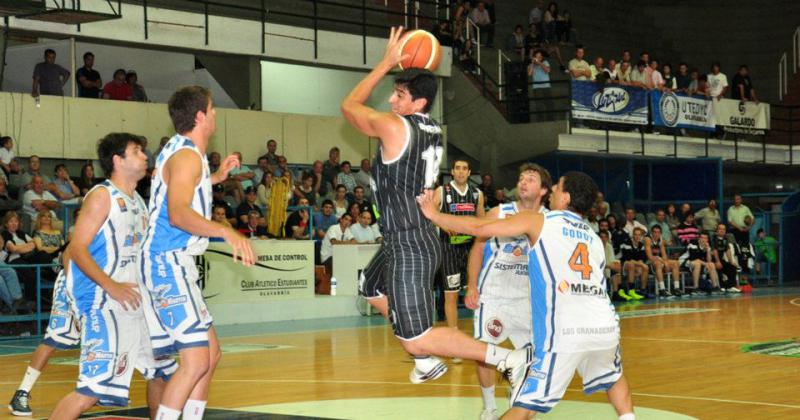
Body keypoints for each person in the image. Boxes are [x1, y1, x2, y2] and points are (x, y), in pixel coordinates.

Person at [341, 27, 530, 385]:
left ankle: (509, 358)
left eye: (399, 95)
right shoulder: (430, 128)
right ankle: (425, 362)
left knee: (418, 336)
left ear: (419, 103)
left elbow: (349, 107)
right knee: (370, 287)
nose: (392, 102)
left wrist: (383, 64)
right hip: (406, 236)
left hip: (410, 241)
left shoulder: (397, 128)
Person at [418, 171, 634, 420]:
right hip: (604, 326)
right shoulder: (594, 238)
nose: (552, 190)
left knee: (525, 408)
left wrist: (434, 214)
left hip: (565, 331)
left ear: (565, 197)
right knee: (614, 378)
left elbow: (480, 227)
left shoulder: (539, 221)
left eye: (557, 187)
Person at [45, 133, 178, 420]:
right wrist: (111, 285)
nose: (145, 155)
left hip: (136, 303)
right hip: (105, 304)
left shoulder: (139, 202)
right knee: (90, 390)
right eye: (137, 151)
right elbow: (75, 250)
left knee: (161, 372)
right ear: (118, 160)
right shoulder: (102, 195)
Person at [140, 86, 254, 420]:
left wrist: (217, 177)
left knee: (211, 355)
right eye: (213, 108)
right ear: (200, 116)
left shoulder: (185, 153)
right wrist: (224, 230)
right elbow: (177, 213)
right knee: (195, 361)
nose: (216, 114)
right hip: (165, 261)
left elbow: (183, 188)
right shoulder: (188, 156)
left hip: (174, 261)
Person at [465, 163, 550, 419]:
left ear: (544, 190)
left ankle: (520, 401)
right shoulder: (499, 213)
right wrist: (471, 285)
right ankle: (490, 407)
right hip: (494, 295)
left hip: (528, 301)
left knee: (535, 359)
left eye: (531, 179)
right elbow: (477, 249)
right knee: (484, 353)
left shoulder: (548, 220)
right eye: (521, 178)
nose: (523, 182)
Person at [433, 160, 484, 356]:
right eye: (458, 168)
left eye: (465, 168)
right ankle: (453, 341)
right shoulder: (442, 191)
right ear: (452, 172)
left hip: (471, 250)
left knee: (476, 294)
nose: (461, 172)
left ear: (469, 172)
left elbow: (482, 222)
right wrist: (444, 224)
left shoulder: (476, 194)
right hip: (449, 249)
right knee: (451, 295)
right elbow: (430, 214)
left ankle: (481, 336)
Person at [645, 225, 682, 297]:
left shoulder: (661, 240)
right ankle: (662, 289)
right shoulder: (648, 239)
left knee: (675, 263)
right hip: (648, 263)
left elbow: (664, 255)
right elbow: (650, 257)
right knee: (658, 263)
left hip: (659, 261)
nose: (656, 234)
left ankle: (676, 288)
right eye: (655, 232)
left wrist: (665, 262)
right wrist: (663, 261)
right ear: (651, 233)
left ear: (660, 233)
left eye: (658, 232)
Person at [711, 223, 742, 293]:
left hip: (721, 260)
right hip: (713, 260)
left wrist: (731, 261)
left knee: (732, 267)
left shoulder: (725, 239)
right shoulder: (714, 238)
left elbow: (727, 250)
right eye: (720, 229)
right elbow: (714, 250)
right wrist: (717, 261)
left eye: (723, 229)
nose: (722, 231)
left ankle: (730, 286)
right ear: (717, 230)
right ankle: (721, 286)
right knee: (718, 268)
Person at [619, 227, 648, 300]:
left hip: (635, 264)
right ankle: (631, 291)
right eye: (635, 234)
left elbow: (642, 258)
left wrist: (641, 264)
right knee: (632, 265)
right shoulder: (627, 242)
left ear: (641, 236)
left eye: (639, 235)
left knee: (645, 267)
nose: (637, 236)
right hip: (623, 264)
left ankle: (642, 291)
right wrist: (640, 264)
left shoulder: (641, 245)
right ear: (633, 235)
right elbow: (628, 258)